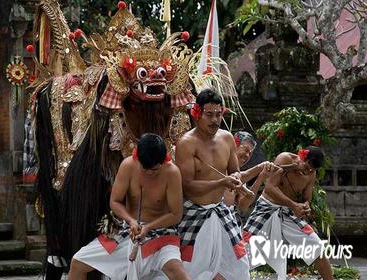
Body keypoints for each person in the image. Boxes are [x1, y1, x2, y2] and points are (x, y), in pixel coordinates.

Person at [68, 133, 191, 280]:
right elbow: (114, 201)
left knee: (178, 273)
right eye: (145, 169)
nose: (149, 173)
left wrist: (148, 227)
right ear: (137, 158)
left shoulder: (172, 172)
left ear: (164, 161)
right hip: (128, 231)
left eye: (154, 170)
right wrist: (131, 220)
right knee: (78, 262)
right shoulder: (128, 165)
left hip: (162, 234)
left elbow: (175, 214)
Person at [175, 88, 251, 280]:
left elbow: (235, 170)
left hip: (221, 211)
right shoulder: (187, 143)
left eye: (218, 114)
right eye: (209, 115)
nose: (215, 120)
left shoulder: (226, 138)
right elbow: (188, 186)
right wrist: (222, 181)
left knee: (239, 265)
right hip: (194, 212)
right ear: (197, 113)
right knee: (189, 269)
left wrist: (235, 180)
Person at [243, 146, 333, 280]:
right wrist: (293, 205)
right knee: (242, 249)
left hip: (290, 212)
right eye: (307, 166)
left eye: (312, 170)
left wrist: (305, 206)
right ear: (302, 156)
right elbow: (270, 187)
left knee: (317, 247)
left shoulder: (311, 174)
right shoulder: (285, 158)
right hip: (266, 207)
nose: (308, 172)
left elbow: (306, 197)